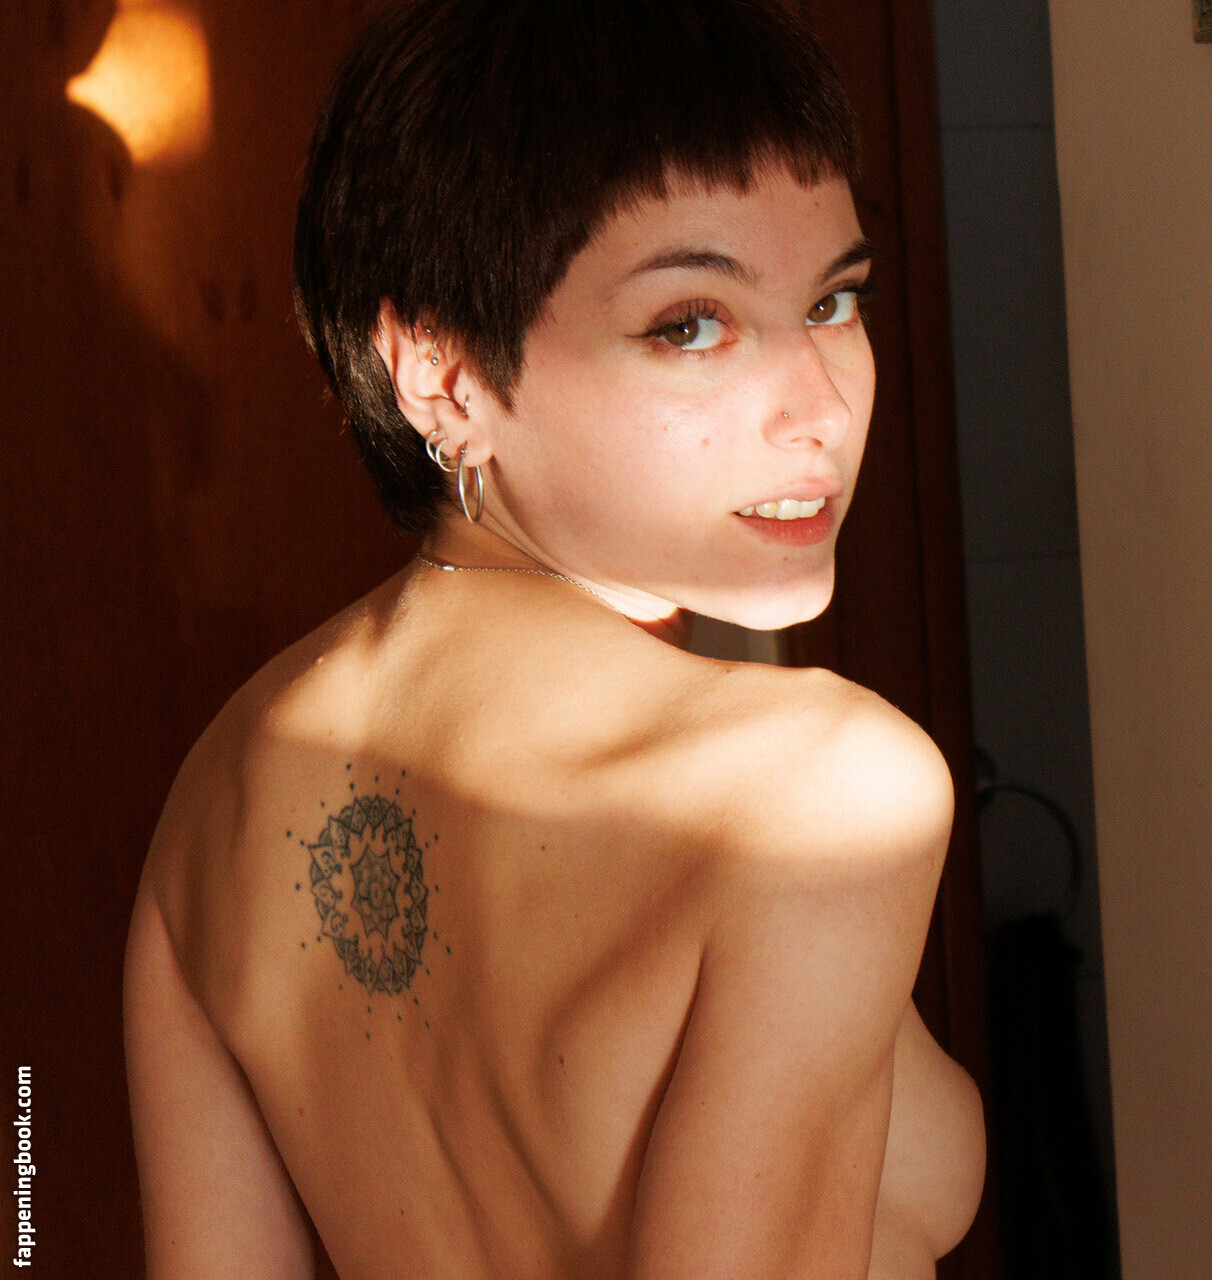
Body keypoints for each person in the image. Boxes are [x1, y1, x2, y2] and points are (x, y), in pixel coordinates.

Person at [120, 1, 987, 1276]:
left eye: (833, 300)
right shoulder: (816, 793)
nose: (819, 406)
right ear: (443, 374)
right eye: (690, 322)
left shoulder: (218, 796)